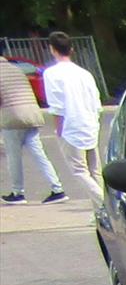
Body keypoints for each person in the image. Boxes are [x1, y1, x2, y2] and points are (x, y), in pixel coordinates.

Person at [38, 33, 101, 204]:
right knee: (95, 171)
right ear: (71, 49)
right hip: (90, 123)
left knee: (79, 170)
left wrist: (59, 130)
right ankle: (100, 210)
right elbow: (96, 101)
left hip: (71, 126)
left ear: (52, 49)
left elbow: (57, 105)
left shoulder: (51, 74)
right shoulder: (84, 74)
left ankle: (105, 204)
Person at [0, 54, 64, 203]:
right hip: (31, 115)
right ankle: (57, 188)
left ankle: (18, 193)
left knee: (14, 157)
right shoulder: (15, 69)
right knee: (40, 155)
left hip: (13, 117)